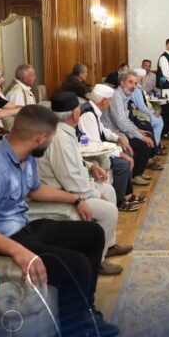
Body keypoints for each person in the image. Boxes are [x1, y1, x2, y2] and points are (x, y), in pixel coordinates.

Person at [0, 105, 119, 337]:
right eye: (51, 139)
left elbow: (36, 190)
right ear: (40, 138)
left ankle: (86, 314)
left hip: (23, 229)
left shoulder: (24, 155)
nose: (51, 143)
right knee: (76, 264)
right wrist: (17, 250)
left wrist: (76, 199)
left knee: (92, 234)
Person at [37, 92, 132, 275]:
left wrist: (91, 166)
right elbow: (70, 179)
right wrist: (95, 194)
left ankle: (109, 246)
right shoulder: (59, 138)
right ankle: (98, 261)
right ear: (75, 114)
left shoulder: (63, 131)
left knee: (109, 191)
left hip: (70, 185)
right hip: (61, 192)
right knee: (108, 210)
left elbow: (73, 161)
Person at [78, 83, 144, 212]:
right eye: (109, 101)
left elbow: (102, 129)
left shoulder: (93, 109)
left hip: (96, 148)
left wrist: (118, 139)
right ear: (103, 101)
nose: (110, 104)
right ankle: (120, 201)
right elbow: (95, 144)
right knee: (123, 164)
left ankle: (127, 194)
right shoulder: (88, 115)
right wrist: (119, 154)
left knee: (126, 152)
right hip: (91, 153)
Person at [101, 71, 156, 185]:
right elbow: (121, 123)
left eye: (135, 83)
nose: (133, 86)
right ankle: (135, 175)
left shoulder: (125, 95)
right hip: (113, 133)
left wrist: (137, 130)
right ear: (122, 83)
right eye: (130, 82)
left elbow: (126, 120)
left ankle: (139, 172)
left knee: (148, 135)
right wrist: (140, 136)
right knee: (144, 144)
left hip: (121, 130)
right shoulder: (116, 96)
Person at [130, 67, 164, 149]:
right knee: (159, 122)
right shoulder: (136, 90)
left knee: (159, 118)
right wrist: (153, 113)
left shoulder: (139, 88)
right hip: (138, 115)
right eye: (145, 77)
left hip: (141, 112)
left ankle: (155, 143)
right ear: (141, 77)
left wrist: (153, 111)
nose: (145, 79)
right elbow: (141, 107)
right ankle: (155, 145)